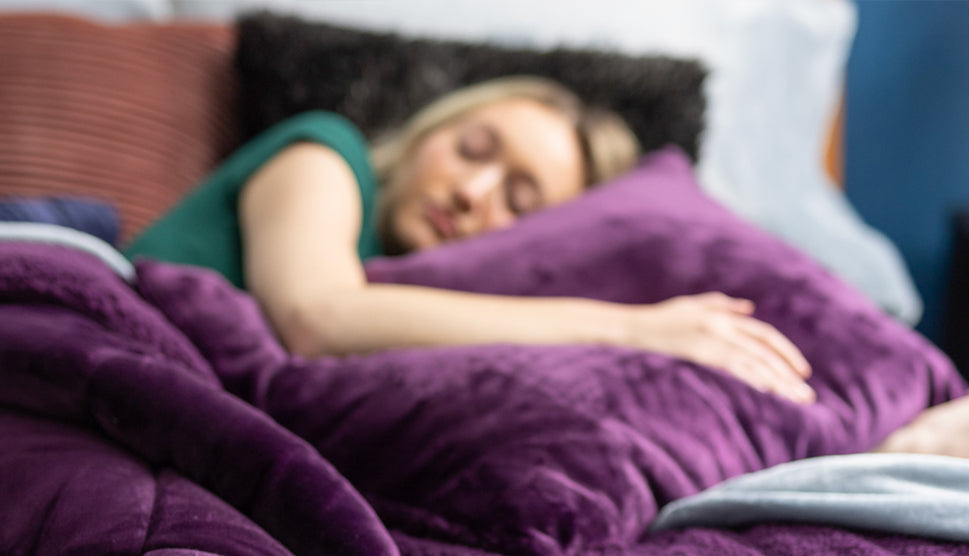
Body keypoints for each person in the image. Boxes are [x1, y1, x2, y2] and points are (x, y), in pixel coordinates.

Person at [127, 76, 816, 405]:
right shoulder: (325, 155)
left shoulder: (425, 308)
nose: (471, 192)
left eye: (518, 201)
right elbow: (317, 316)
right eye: (471, 148)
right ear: (429, 133)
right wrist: (633, 329)